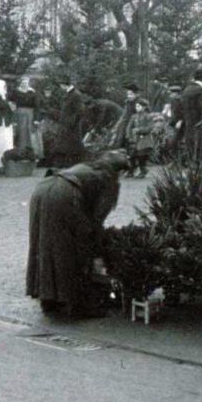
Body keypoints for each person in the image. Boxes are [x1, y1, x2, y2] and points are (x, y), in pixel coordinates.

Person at [26, 150, 128, 319]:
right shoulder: (109, 179)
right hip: (64, 195)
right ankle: (76, 304)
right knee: (70, 248)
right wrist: (97, 246)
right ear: (120, 171)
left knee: (44, 245)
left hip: (42, 189)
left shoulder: (88, 167)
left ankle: (49, 300)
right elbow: (96, 220)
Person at [53, 76, 87, 167]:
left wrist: (71, 122)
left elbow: (80, 111)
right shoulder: (70, 94)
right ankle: (68, 164)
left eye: (61, 85)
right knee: (67, 144)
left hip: (72, 125)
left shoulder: (75, 94)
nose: (60, 87)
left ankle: (76, 163)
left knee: (74, 144)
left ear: (64, 85)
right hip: (67, 124)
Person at [175, 69, 202, 156]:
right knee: (200, 149)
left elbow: (180, 107)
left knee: (191, 147)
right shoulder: (200, 90)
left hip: (188, 124)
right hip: (199, 124)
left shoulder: (187, 89)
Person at [9, 76, 41, 159]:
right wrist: (12, 109)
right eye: (22, 83)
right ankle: (20, 154)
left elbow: (37, 107)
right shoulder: (16, 92)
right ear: (20, 83)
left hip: (30, 116)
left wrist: (36, 119)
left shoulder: (32, 93)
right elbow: (10, 102)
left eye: (26, 83)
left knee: (30, 134)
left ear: (28, 83)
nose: (24, 84)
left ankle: (32, 155)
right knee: (20, 134)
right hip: (18, 116)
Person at [124, 98, 154, 178]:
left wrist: (139, 130)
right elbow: (129, 127)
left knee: (141, 156)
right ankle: (131, 171)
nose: (136, 108)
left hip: (145, 140)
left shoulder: (148, 116)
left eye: (138, 106)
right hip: (135, 140)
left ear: (144, 107)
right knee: (132, 156)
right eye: (136, 106)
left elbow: (149, 128)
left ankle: (143, 171)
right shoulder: (134, 117)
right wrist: (128, 136)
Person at [110, 83, 140, 149]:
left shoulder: (139, 103)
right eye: (128, 94)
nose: (129, 96)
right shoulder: (128, 103)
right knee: (118, 135)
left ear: (136, 94)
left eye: (131, 94)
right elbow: (124, 115)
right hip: (125, 123)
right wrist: (116, 126)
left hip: (134, 124)